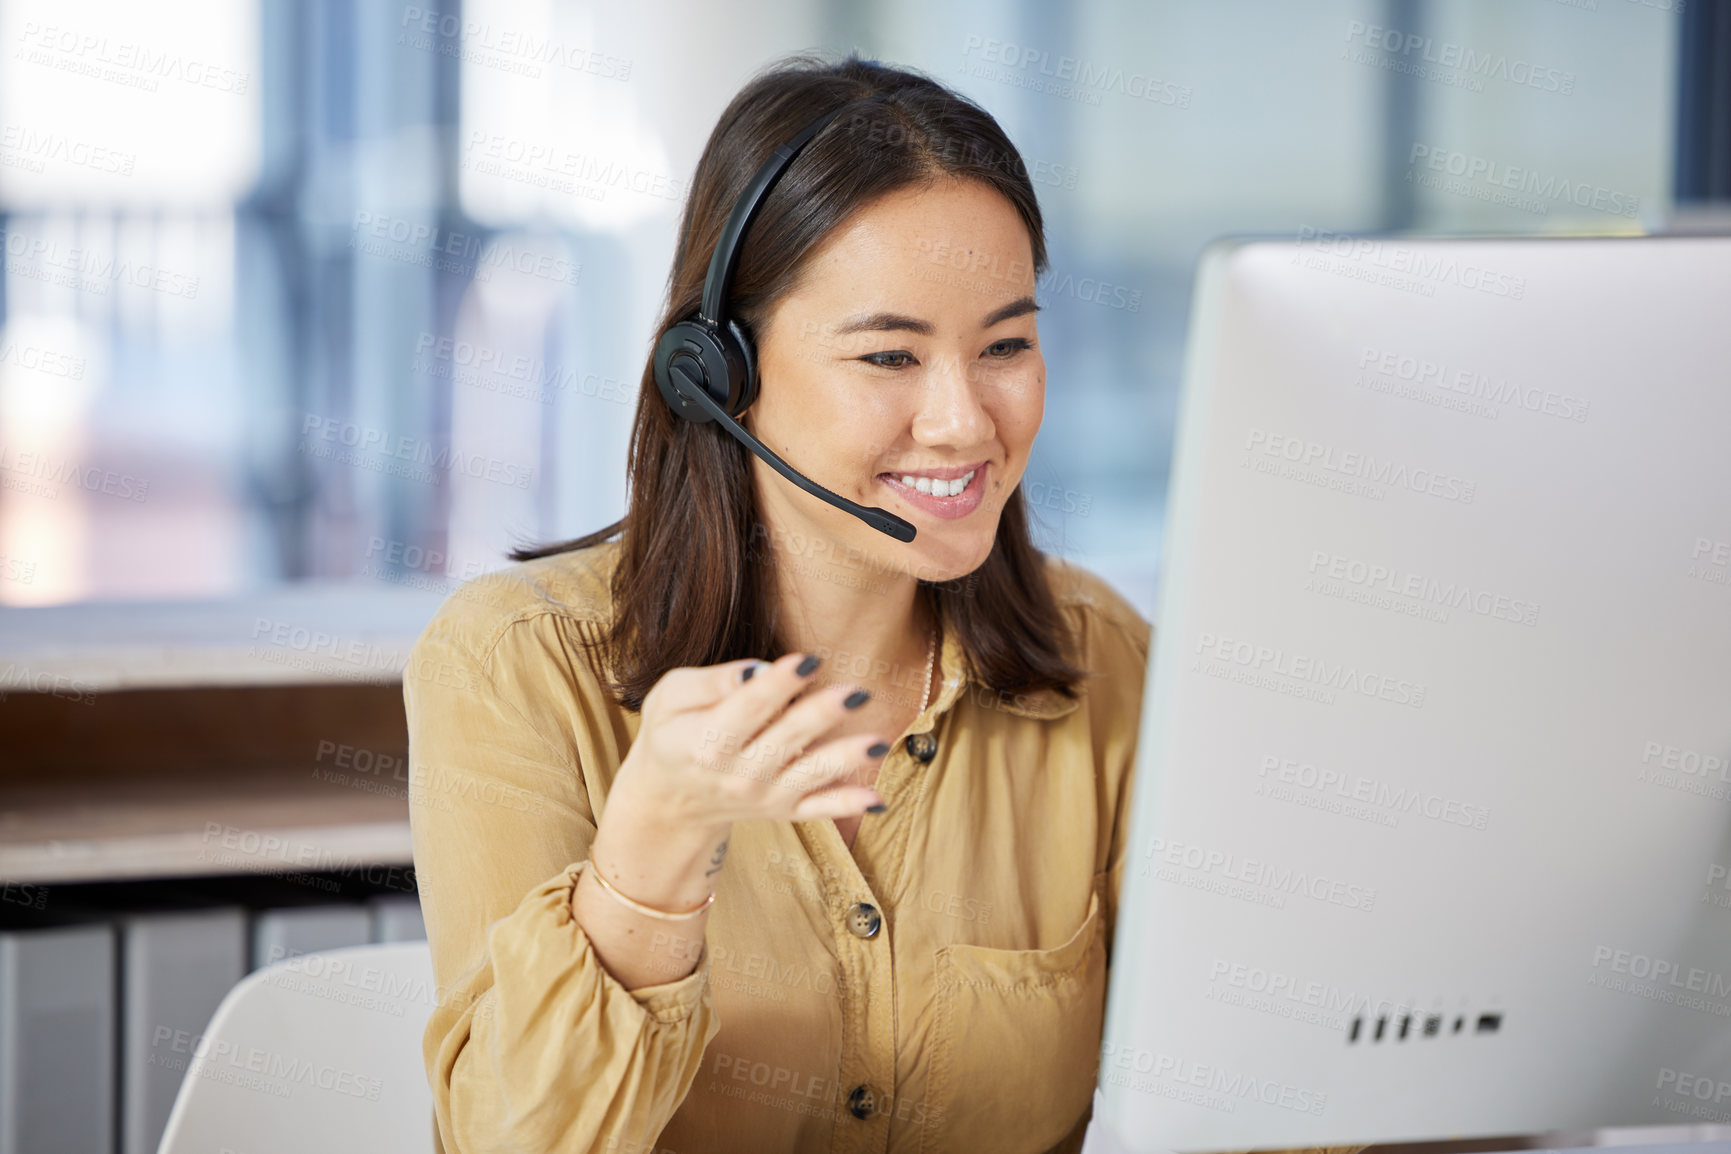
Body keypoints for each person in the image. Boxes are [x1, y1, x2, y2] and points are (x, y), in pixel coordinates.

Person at [406, 52, 1362, 1154]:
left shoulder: (1104, 662)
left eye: (1006, 344)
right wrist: (651, 857)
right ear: (717, 375)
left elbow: (1252, 1086)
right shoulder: (515, 664)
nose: (964, 421)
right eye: (890, 355)